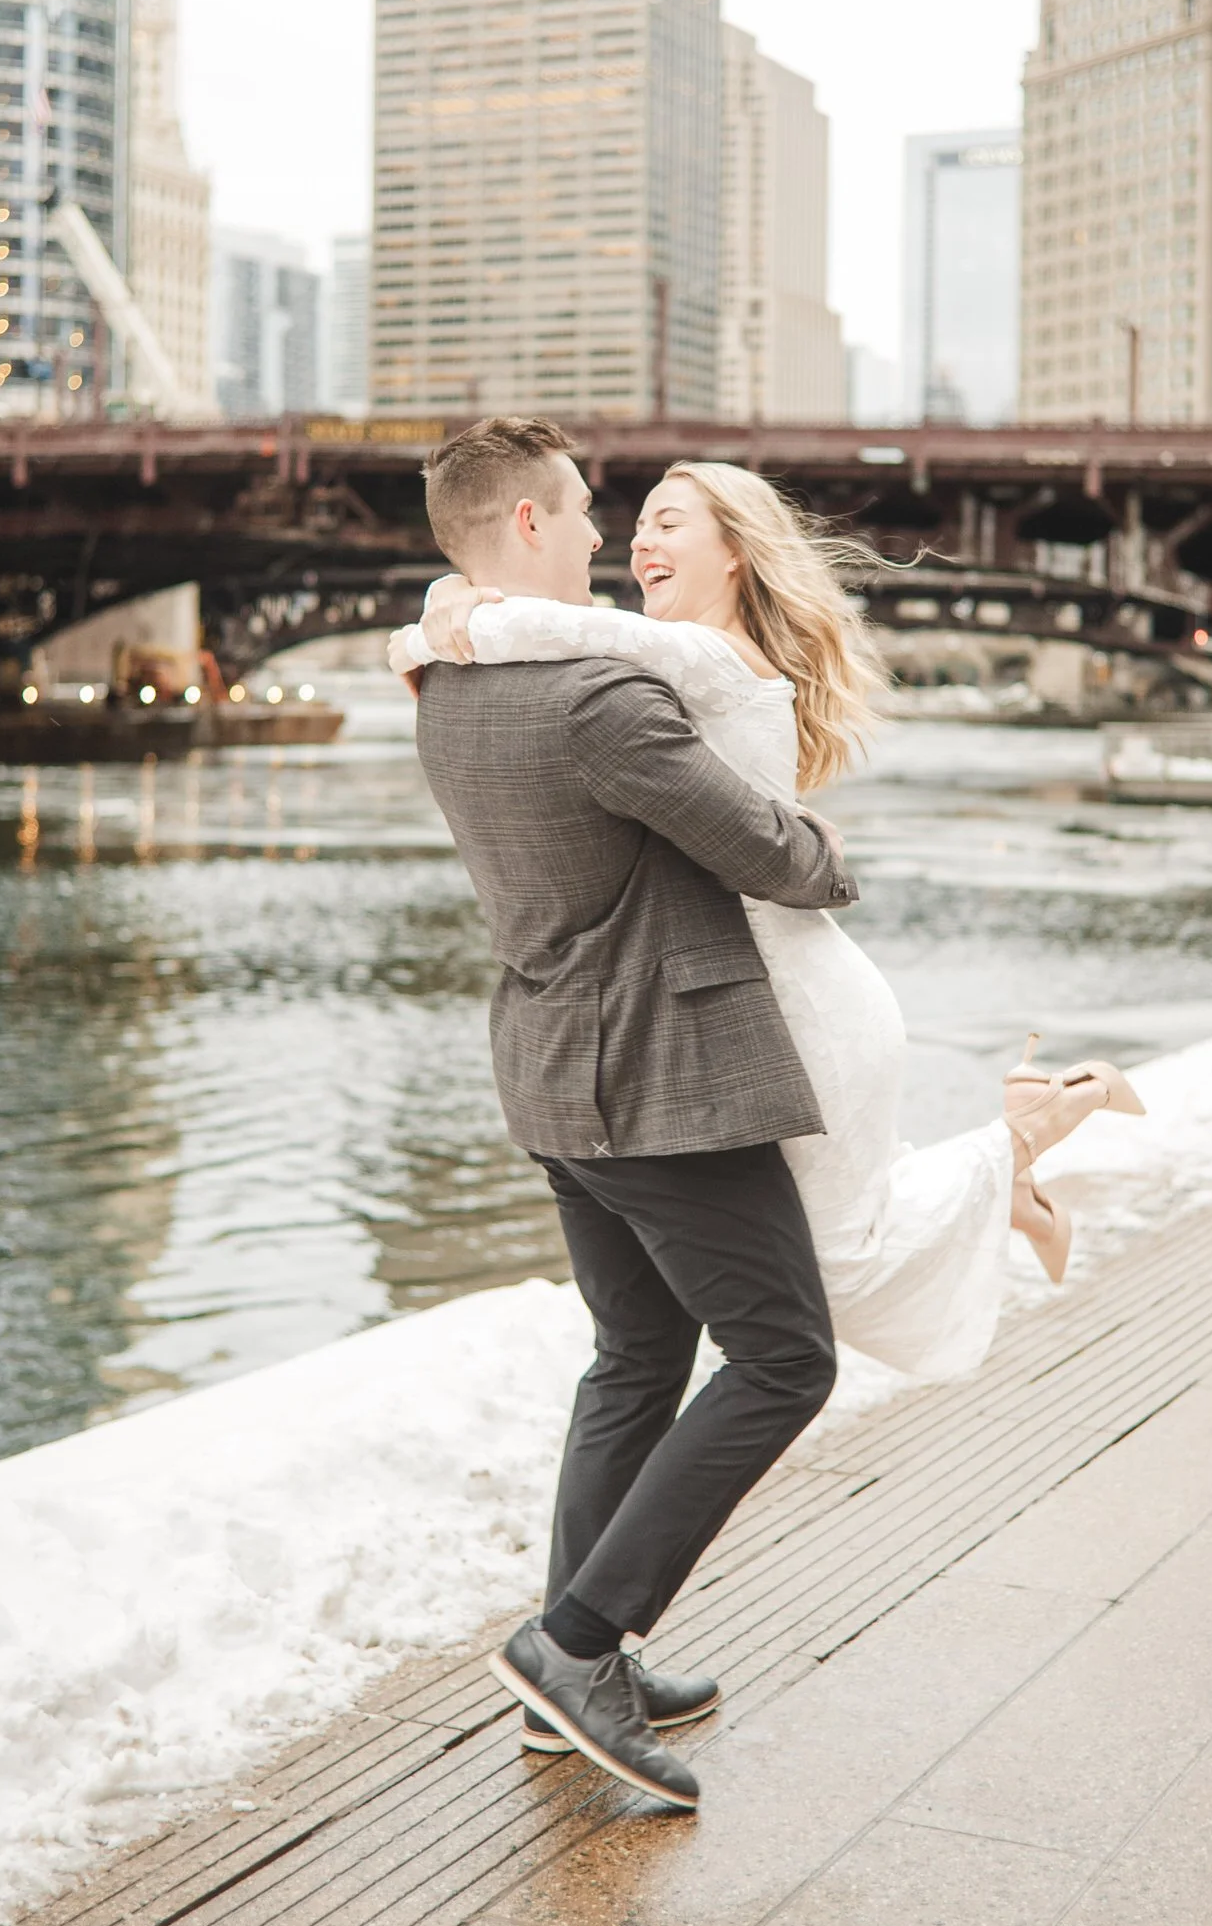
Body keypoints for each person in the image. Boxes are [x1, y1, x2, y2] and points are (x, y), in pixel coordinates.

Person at [395, 457, 1144, 1370]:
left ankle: (1042, 1124)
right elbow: (560, 634)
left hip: (788, 1002)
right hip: (749, 995)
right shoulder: (658, 653)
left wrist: (450, 612)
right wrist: (451, 602)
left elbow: (548, 627)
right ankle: (1016, 1181)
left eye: (669, 524)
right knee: (825, 1264)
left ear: (738, 555)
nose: (633, 540)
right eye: (640, 526)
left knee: (831, 1276)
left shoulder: (703, 654)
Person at [398, 417, 862, 1816]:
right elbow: (774, 858)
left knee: (637, 1356)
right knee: (784, 1358)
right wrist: (827, 847)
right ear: (528, 526)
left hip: (552, 1068)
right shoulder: (598, 700)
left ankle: (568, 1671)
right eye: (587, 512)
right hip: (664, 1076)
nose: (604, 534)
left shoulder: (448, 683)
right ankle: (579, 1642)